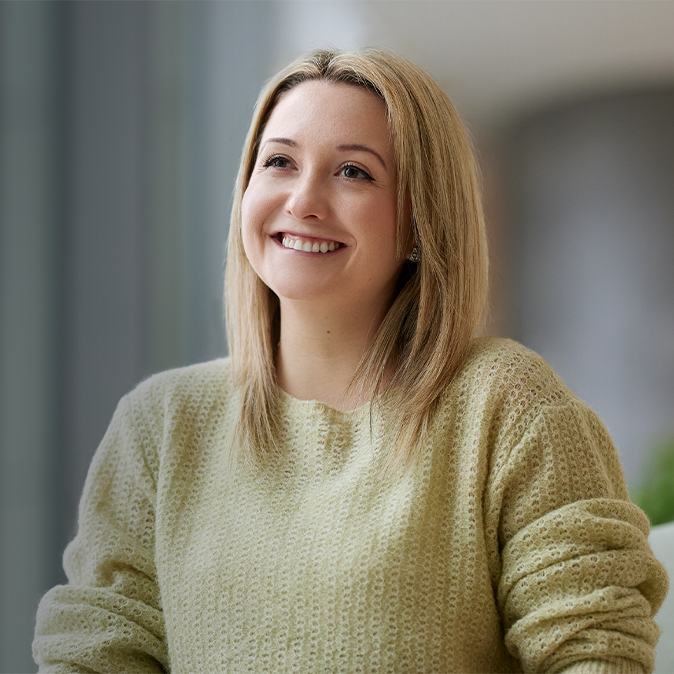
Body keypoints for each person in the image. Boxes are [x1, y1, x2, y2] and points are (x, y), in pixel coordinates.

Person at [34, 48, 667, 674]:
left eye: (354, 173)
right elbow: (95, 654)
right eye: (279, 161)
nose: (303, 200)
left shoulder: (508, 405)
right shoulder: (159, 425)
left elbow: (595, 652)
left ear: (422, 219)